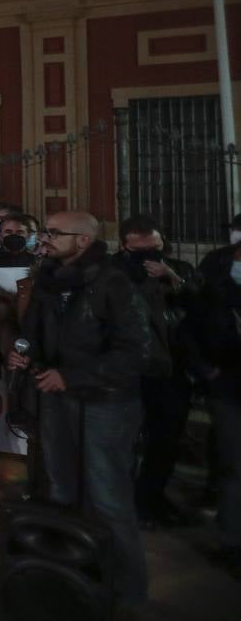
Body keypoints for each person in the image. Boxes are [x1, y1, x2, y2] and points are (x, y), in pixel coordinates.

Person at [7, 210, 154, 608]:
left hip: (106, 404)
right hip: (55, 399)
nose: (46, 239)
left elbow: (139, 351)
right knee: (60, 489)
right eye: (46, 232)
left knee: (107, 497)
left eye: (56, 233)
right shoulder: (49, 280)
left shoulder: (113, 282)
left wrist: (73, 376)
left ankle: (125, 592)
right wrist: (26, 355)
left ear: (84, 241)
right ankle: (72, 576)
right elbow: (34, 333)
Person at [113, 215, 200, 529]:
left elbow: (201, 309)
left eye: (156, 250)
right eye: (141, 252)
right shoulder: (110, 273)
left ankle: (150, 498)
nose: (150, 257)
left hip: (170, 370)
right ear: (124, 246)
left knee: (165, 441)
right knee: (122, 441)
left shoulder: (180, 270)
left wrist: (174, 279)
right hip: (126, 370)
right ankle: (120, 501)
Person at [191, 219, 241, 579]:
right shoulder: (216, 266)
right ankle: (231, 541)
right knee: (232, 467)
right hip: (227, 384)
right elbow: (193, 322)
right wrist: (205, 369)